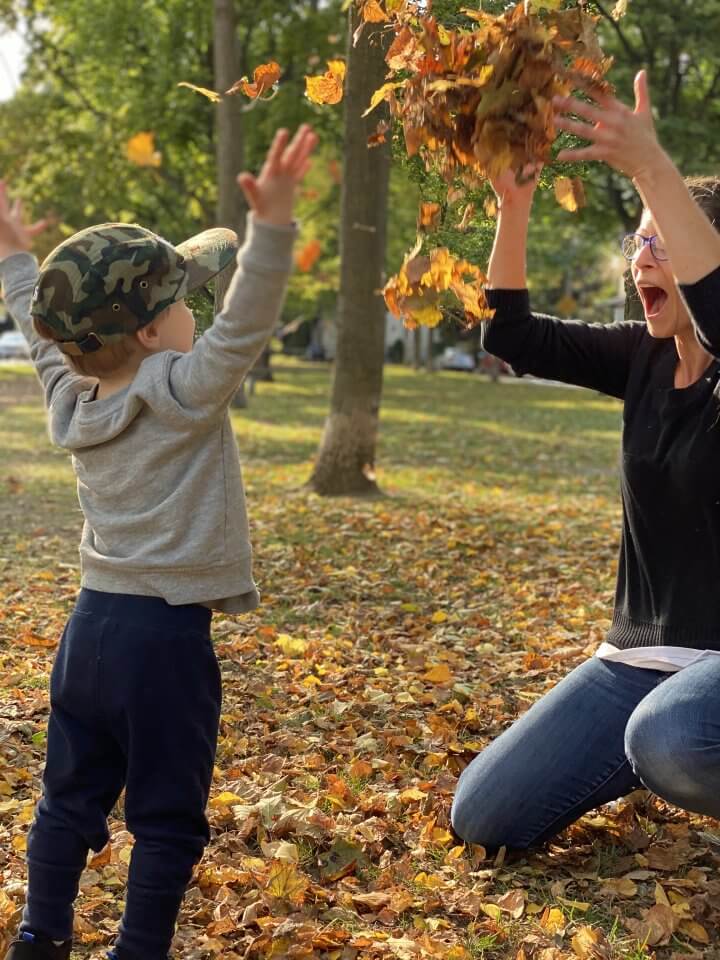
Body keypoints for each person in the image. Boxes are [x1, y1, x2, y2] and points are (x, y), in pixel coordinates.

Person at [0, 123, 317, 960]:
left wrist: (14, 260)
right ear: (146, 331)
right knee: (167, 815)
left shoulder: (71, 397)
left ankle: (40, 936)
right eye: (183, 302)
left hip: (89, 632)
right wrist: (273, 228)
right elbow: (246, 325)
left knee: (67, 799)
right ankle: (139, 949)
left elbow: (41, 336)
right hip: (167, 640)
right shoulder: (186, 391)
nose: (198, 312)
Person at [451, 71, 720, 850]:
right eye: (637, 241)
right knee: (485, 816)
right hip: (641, 661)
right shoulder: (641, 355)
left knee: (670, 736)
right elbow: (512, 337)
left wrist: (650, 166)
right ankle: (650, 745)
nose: (642, 258)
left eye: (662, 242)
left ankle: (662, 746)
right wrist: (514, 205)